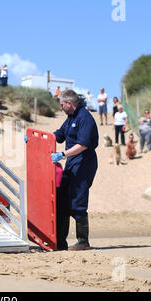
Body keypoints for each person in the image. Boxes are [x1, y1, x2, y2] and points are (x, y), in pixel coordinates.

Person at [51, 89, 98, 251]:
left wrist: (62, 154)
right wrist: (39, 138)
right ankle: (60, 241)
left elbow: (83, 145)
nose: (61, 108)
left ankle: (83, 241)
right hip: (72, 162)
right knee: (62, 199)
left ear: (69, 103)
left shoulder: (85, 118)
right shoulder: (71, 118)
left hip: (84, 162)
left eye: (62, 105)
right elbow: (59, 135)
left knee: (78, 200)